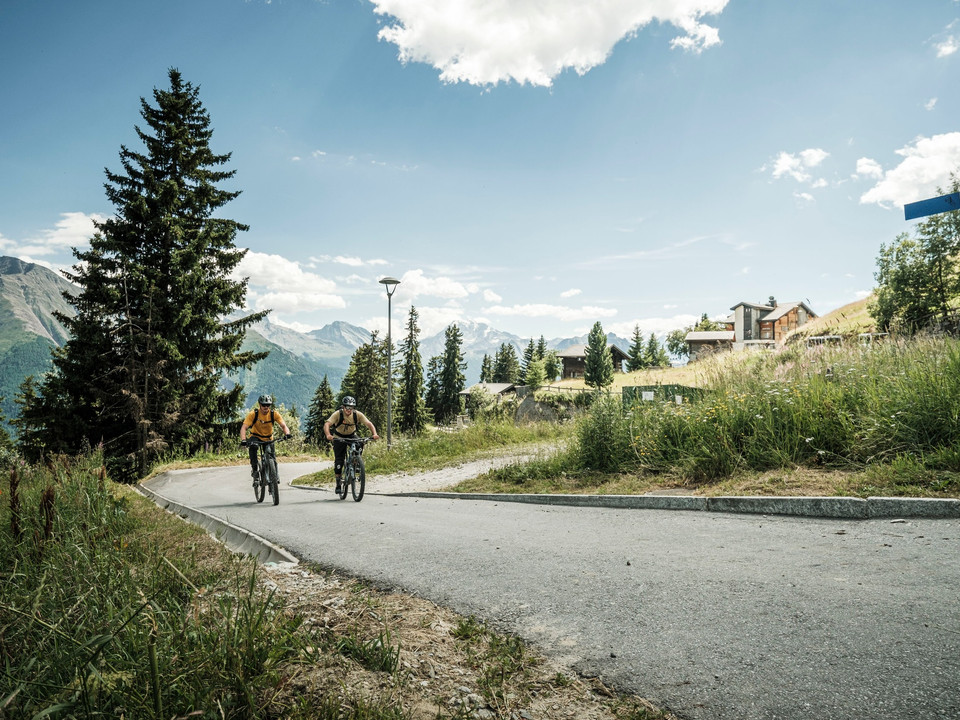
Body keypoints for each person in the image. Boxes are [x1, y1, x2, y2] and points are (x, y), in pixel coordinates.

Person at [324, 396, 379, 494]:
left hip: (351, 435)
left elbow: (369, 423)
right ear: (343, 407)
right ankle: (338, 484)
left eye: (351, 408)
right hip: (338, 437)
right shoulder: (338, 414)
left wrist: (374, 434)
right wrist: (328, 435)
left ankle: (356, 461)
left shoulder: (357, 414)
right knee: (339, 461)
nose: (349, 410)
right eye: (347, 407)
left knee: (360, 442)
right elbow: (327, 424)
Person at [240, 394, 291, 483]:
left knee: (272, 457)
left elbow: (283, 425)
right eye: (264, 405)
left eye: (268, 405)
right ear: (260, 405)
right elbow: (244, 428)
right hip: (255, 436)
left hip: (268, 438)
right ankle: (255, 471)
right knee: (253, 448)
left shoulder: (274, 414)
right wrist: (243, 440)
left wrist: (287, 433)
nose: (266, 407)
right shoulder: (253, 414)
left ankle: (275, 476)